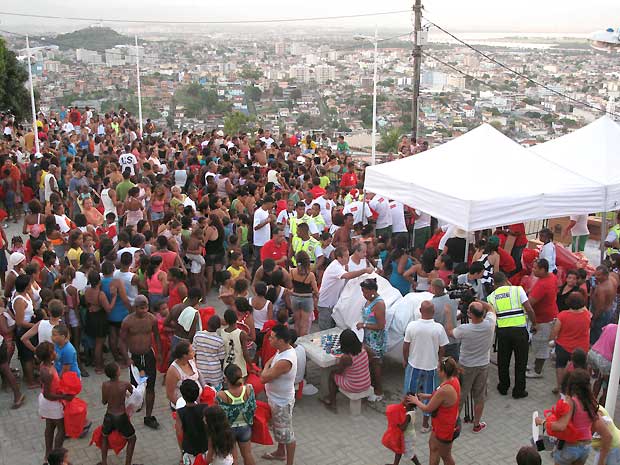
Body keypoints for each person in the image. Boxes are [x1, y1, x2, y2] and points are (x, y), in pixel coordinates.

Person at [444, 300, 496, 433]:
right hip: (483, 365)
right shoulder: (490, 324)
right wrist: (478, 301)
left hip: (466, 366)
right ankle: (477, 424)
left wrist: (449, 314)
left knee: (460, 396)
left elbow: (450, 332)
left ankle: (453, 424)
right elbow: (491, 308)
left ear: (470, 315)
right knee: (479, 397)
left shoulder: (464, 329)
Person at [486, 272, 536, 399]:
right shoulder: (518, 290)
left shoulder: (491, 297)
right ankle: (519, 390)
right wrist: (534, 324)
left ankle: (503, 386)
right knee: (521, 361)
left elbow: (492, 316)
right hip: (519, 331)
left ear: (494, 284)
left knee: (503, 361)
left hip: (503, 332)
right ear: (506, 280)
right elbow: (529, 309)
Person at [535, 369, 599, 465]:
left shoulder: (572, 402)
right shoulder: (592, 402)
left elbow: (561, 426)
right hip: (586, 447)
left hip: (570, 447)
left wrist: (543, 422)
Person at [403, 301, 449, 433]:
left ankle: (408, 421)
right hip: (431, 366)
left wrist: (405, 360)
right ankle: (425, 424)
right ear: (433, 312)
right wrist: (439, 361)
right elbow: (442, 348)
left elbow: (406, 346)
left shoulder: (412, 326)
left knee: (410, 392)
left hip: (414, 365)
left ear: (420, 310)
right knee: (430, 394)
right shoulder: (438, 328)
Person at [408, 357, 461, 465]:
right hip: (442, 424)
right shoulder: (453, 380)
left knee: (446, 456)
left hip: (446, 428)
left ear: (443, 372)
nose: (436, 370)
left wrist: (416, 401)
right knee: (433, 446)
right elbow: (439, 398)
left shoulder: (445, 390)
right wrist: (427, 396)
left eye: (438, 368)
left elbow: (428, 408)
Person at [120, 294, 162, 429]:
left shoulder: (152, 319)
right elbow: (121, 341)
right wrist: (127, 359)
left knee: (150, 386)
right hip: (135, 358)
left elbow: (156, 335)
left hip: (148, 356)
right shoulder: (127, 321)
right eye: (141, 308)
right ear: (135, 307)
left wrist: (160, 353)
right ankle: (132, 412)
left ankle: (148, 416)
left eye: (146, 308)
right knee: (134, 389)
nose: (144, 311)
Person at [260, 324, 297, 465]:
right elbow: (270, 362)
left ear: (281, 340)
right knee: (279, 429)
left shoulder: (285, 360)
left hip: (281, 402)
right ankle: (281, 452)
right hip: (276, 399)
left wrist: (265, 369)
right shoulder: (282, 350)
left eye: (272, 337)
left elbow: (264, 378)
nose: (269, 339)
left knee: (287, 435)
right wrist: (267, 368)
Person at [317, 247, 372, 330]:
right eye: (346, 256)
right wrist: (364, 270)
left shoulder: (341, 266)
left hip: (332, 303)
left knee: (332, 329)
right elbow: (347, 275)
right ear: (339, 257)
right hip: (326, 305)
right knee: (325, 330)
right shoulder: (335, 267)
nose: (348, 258)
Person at [36, 342, 73, 463]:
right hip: (51, 403)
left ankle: (48, 455)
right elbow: (48, 394)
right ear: (49, 356)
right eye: (53, 351)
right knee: (61, 429)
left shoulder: (45, 365)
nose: (55, 352)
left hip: (48, 402)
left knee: (49, 427)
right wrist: (64, 396)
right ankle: (57, 457)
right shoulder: (48, 372)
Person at [320, 328, 371, 412]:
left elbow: (339, 371)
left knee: (332, 375)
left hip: (354, 386)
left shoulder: (346, 357)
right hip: (366, 381)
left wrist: (335, 369)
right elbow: (372, 355)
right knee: (342, 374)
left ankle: (332, 402)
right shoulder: (363, 347)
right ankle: (333, 395)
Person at [550, 292, 591, 395]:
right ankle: (577, 390)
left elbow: (555, 330)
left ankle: (560, 388)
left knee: (560, 365)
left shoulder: (563, 315)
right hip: (581, 348)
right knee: (580, 368)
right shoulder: (587, 315)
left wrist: (551, 339)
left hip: (563, 346)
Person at [217, 364, 257, 465]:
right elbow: (253, 406)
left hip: (229, 429)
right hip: (245, 427)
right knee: (247, 454)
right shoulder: (249, 389)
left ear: (226, 379)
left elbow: (217, 412)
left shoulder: (221, 395)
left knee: (233, 458)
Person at [526, 259, 558, 380]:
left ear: (543, 269)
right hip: (547, 315)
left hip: (544, 319)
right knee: (538, 343)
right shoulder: (552, 277)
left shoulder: (543, 284)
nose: (533, 270)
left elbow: (530, 303)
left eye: (536, 268)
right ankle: (534, 365)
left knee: (541, 344)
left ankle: (537, 370)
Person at [356, 278, 386, 402]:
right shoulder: (369, 300)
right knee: (370, 363)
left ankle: (379, 391)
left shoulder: (379, 304)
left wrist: (364, 325)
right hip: (367, 336)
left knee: (376, 364)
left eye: (365, 291)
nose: (363, 294)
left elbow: (380, 325)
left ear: (372, 290)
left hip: (375, 339)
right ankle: (371, 386)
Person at [100, 362, 137, 465]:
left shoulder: (105, 385)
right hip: (121, 417)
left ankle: (104, 462)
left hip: (109, 415)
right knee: (132, 438)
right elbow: (132, 393)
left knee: (104, 437)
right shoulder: (125, 384)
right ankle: (127, 463)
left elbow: (104, 402)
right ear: (117, 373)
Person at [175, 379, 209, 465]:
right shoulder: (205, 408)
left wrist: (182, 450)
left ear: (183, 395)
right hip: (204, 446)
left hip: (189, 448)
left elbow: (179, 433)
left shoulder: (180, 412)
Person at [166, 340, 203, 409]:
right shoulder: (173, 371)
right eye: (191, 351)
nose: (194, 352)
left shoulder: (192, 360)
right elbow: (170, 394)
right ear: (184, 355)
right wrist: (183, 409)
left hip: (198, 403)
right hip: (184, 407)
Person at [289, 251, 318, 337]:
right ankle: (302, 343)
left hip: (294, 298)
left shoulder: (292, 272)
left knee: (297, 322)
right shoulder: (311, 275)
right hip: (307, 299)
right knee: (304, 324)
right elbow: (316, 290)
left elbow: (290, 286)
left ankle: (296, 340)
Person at [193, 315, 225, 390]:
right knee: (215, 394)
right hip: (215, 373)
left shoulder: (198, 335)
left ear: (207, 323)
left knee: (203, 392)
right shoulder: (219, 341)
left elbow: (193, 353)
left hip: (201, 370)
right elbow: (221, 359)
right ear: (218, 327)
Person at [430, 279, 460, 360]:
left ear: (434, 288)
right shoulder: (453, 299)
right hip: (453, 339)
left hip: (440, 341)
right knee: (453, 368)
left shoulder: (432, 304)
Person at [589, 323, 617, 404]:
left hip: (593, 353)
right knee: (607, 386)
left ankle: (592, 401)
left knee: (599, 379)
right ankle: (603, 405)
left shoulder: (610, 326)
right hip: (605, 361)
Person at [590, 265, 616, 345]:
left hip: (601, 315)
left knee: (597, 334)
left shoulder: (601, 289)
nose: (596, 277)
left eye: (598, 275)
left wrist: (593, 319)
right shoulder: (612, 280)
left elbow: (600, 307)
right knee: (605, 332)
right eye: (595, 274)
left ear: (605, 275)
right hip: (610, 310)